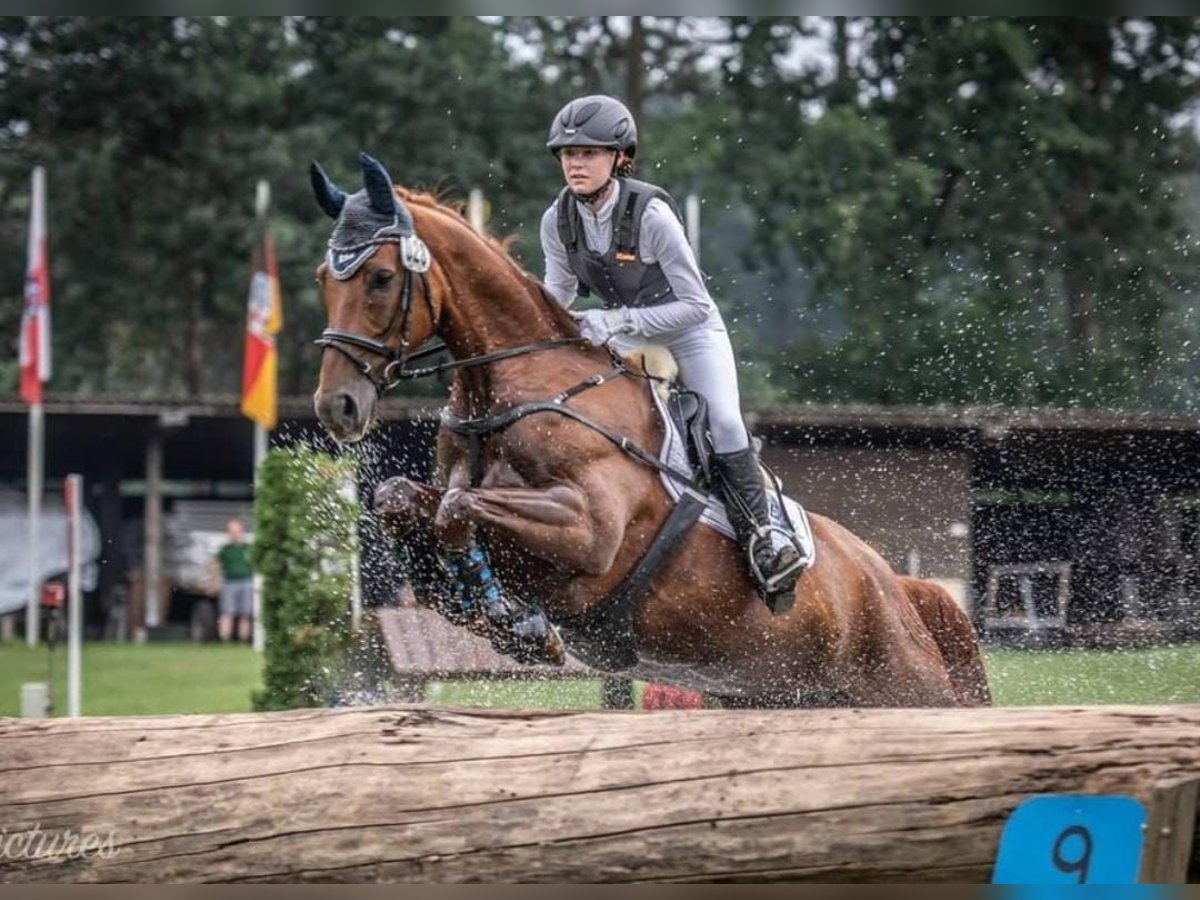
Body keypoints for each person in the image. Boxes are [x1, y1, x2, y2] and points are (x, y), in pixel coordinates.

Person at [540, 94, 803, 609]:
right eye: (568, 153)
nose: (576, 162)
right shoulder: (558, 219)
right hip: (624, 332)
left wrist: (616, 320)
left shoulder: (652, 215)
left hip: (686, 328)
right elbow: (557, 295)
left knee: (724, 424)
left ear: (620, 157)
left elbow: (695, 306)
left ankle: (767, 535)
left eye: (590, 152)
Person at [213, 518, 254, 642]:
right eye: (231, 532)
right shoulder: (225, 549)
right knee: (227, 612)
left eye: (236, 531)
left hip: (246, 582)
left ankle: (243, 638)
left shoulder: (248, 548)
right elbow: (215, 565)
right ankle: (225, 638)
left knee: (246, 613)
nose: (234, 534)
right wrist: (214, 580)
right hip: (229, 582)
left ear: (241, 532)